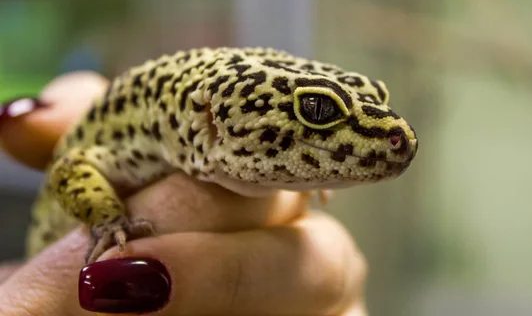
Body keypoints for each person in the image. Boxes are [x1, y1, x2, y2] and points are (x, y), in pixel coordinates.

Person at [0, 71, 368, 315]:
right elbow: (71, 170)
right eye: (318, 111)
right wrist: (107, 219)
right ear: (212, 116)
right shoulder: (133, 137)